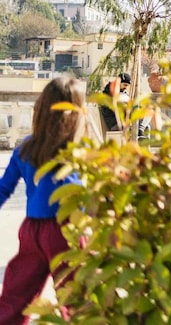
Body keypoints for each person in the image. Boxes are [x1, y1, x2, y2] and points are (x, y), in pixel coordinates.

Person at [0, 76, 86, 324]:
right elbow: (77, 195)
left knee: (16, 297)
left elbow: (3, 188)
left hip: (31, 231)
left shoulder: (25, 148)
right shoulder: (74, 152)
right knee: (76, 299)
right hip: (65, 230)